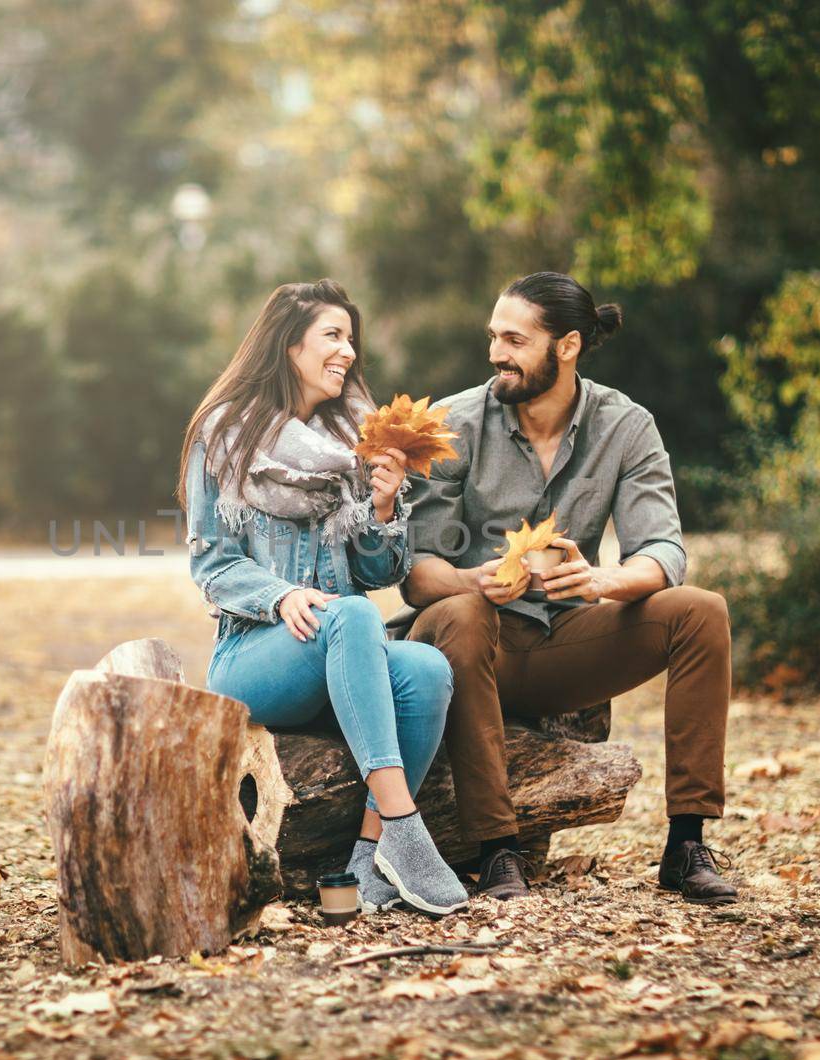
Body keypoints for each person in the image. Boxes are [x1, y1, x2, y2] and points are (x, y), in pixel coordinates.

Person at [396, 271, 738, 905]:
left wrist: (602, 578)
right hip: (465, 643)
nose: (497, 352)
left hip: (563, 638)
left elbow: (663, 551)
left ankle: (686, 843)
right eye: (494, 337)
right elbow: (415, 572)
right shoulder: (455, 422)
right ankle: (497, 850)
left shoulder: (626, 425)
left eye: (515, 340)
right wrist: (475, 579)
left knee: (701, 613)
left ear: (568, 346)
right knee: (466, 613)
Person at [176, 279, 467, 916]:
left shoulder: (352, 444)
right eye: (332, 336)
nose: (347, 352)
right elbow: (211, 562)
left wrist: (385, 506)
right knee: (354, 616)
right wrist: (280, 597)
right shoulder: (223, 435)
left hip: (343, 646)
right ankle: (406, 824)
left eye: (351, 339)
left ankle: (371, 857)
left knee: (427, 667)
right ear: (288, 346)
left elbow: (375, 574)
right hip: (256, 658)